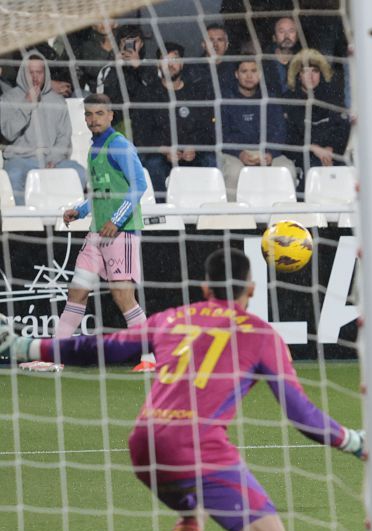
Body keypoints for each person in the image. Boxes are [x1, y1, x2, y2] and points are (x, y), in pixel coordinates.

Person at [0, 247, 366, 531]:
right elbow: (302, 416)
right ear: (251, 288)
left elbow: (100, 348)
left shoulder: (174, 317)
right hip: (196, 444)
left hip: (144, 439)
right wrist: (354, 442)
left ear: (205, 287)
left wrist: (27, 345)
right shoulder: (261, 334)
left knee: (189, 513)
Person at [50, 94, 154, 373]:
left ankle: (150, 359)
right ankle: (56, 356)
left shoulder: (119, 145)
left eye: (99, 113)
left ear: (110, 115)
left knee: (123, 297)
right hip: (97, 232)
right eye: (89, 114)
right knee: (77, 293)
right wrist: (81, 210)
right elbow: (101, 193)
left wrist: (117, 221)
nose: (93, 119)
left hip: (121, 233)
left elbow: (139, 185)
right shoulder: (94, 147)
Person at [0, 51, 86, 204]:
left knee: (80, 173)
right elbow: (8, 133)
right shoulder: (8, 99)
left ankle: (64, 218)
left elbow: (64, 137)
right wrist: (27, 105)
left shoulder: (58, 101)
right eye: (30, 72)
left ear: (45, 74)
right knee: (13, 176)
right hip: (19, 159)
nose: (34, 77)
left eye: (38, 72)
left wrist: (53, 159)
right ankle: (25, 224)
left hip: (50, 158)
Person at [135, 43, 217, 199]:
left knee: (210, 161)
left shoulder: (198, 93)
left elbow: (208, 130)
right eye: (165, 59)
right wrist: (164, 149)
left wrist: (195, 147)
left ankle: (206, 212)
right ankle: (163, 214)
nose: (170, 64)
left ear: (182, 63)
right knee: (153, 166)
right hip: (160, 154)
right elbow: (141, 134)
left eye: (174, 59)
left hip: (193, 153)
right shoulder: (147, 94)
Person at [218, 58, 296, 201]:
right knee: (235, 172)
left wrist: (270, 154)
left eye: (253, 71)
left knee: (287, 169)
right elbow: (221, 135)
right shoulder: (226, 99)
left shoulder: (270, 99)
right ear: (236, 74)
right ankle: (231, 219)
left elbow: (280, 132)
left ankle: (282, 219)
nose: (249, 76)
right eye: (244, 71)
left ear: (260, 74)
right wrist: (239, 153)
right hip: (235, 153)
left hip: (266, 152)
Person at [282, 48, 350, 191]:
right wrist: (313, 148)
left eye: (315, 71)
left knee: (345, 172)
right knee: (313, 170)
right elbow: (288, 138)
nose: (310, 76)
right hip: (302, 156)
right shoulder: (289, 100)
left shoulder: (332, 97)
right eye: (305, 71)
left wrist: (331, 149)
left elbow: (342, 129)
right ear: (298, 75)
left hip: (331, 154)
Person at [262, 16, 300, 98]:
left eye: (291, 31)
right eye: (281, 31)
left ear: (297, 36)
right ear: (274, 37)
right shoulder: (262, 62)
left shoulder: (303, 61)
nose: (287, 36)